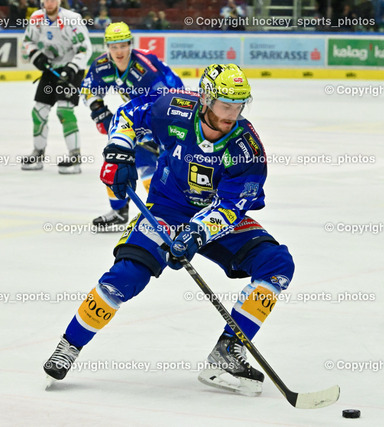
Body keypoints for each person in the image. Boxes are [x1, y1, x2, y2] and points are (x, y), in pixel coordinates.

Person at [43, 64, 295, 398]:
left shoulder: (246, 149)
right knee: (126, 276)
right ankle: (69, 345)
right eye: (225, 105)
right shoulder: (174, 107)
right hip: (166, 209)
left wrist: (196, 233)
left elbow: (231, 207)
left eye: (239, 106)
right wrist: (119, 150)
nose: (232, 115)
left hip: (215, 217)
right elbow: (128, 114)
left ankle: (228, 350)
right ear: (206, 99)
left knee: (277, 264)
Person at [81, 22, 183, 231]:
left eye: (123, 46)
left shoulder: (144, 70)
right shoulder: (103, 65)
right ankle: (120, 211)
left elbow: (165, 103)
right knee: (116, 157)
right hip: (141, 115)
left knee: (162, 168)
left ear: (130, 45)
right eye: (114, 46)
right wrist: (99, 110)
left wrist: (155, 137)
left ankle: (170, 215)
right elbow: (88, 89)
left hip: (174, 114)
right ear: (107, 47)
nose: (119, 52)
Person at [20, 0, 92, 174]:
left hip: (72, 70)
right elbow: (28, 41)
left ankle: (74, 156)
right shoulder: (36, 18)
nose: (50, 2)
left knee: (64, 111)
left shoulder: (72, 19)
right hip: (51, 69)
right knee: (38, 112)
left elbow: (85, 49)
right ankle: (38, 153)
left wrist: (71, 68)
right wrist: (36, 56)